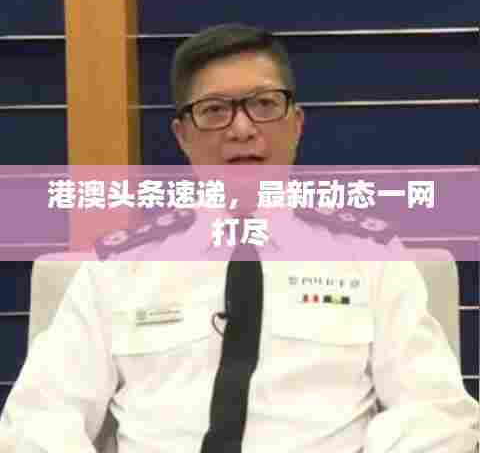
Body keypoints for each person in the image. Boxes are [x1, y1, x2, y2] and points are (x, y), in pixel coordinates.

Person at [0, 24, 478, 453]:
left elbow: (436, 413)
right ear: (182, 135)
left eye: (265, 105)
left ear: (297, 123)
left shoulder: (370, 257)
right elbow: (37, 419)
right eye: (214, 111)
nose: (243, 129)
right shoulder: (119, 269)